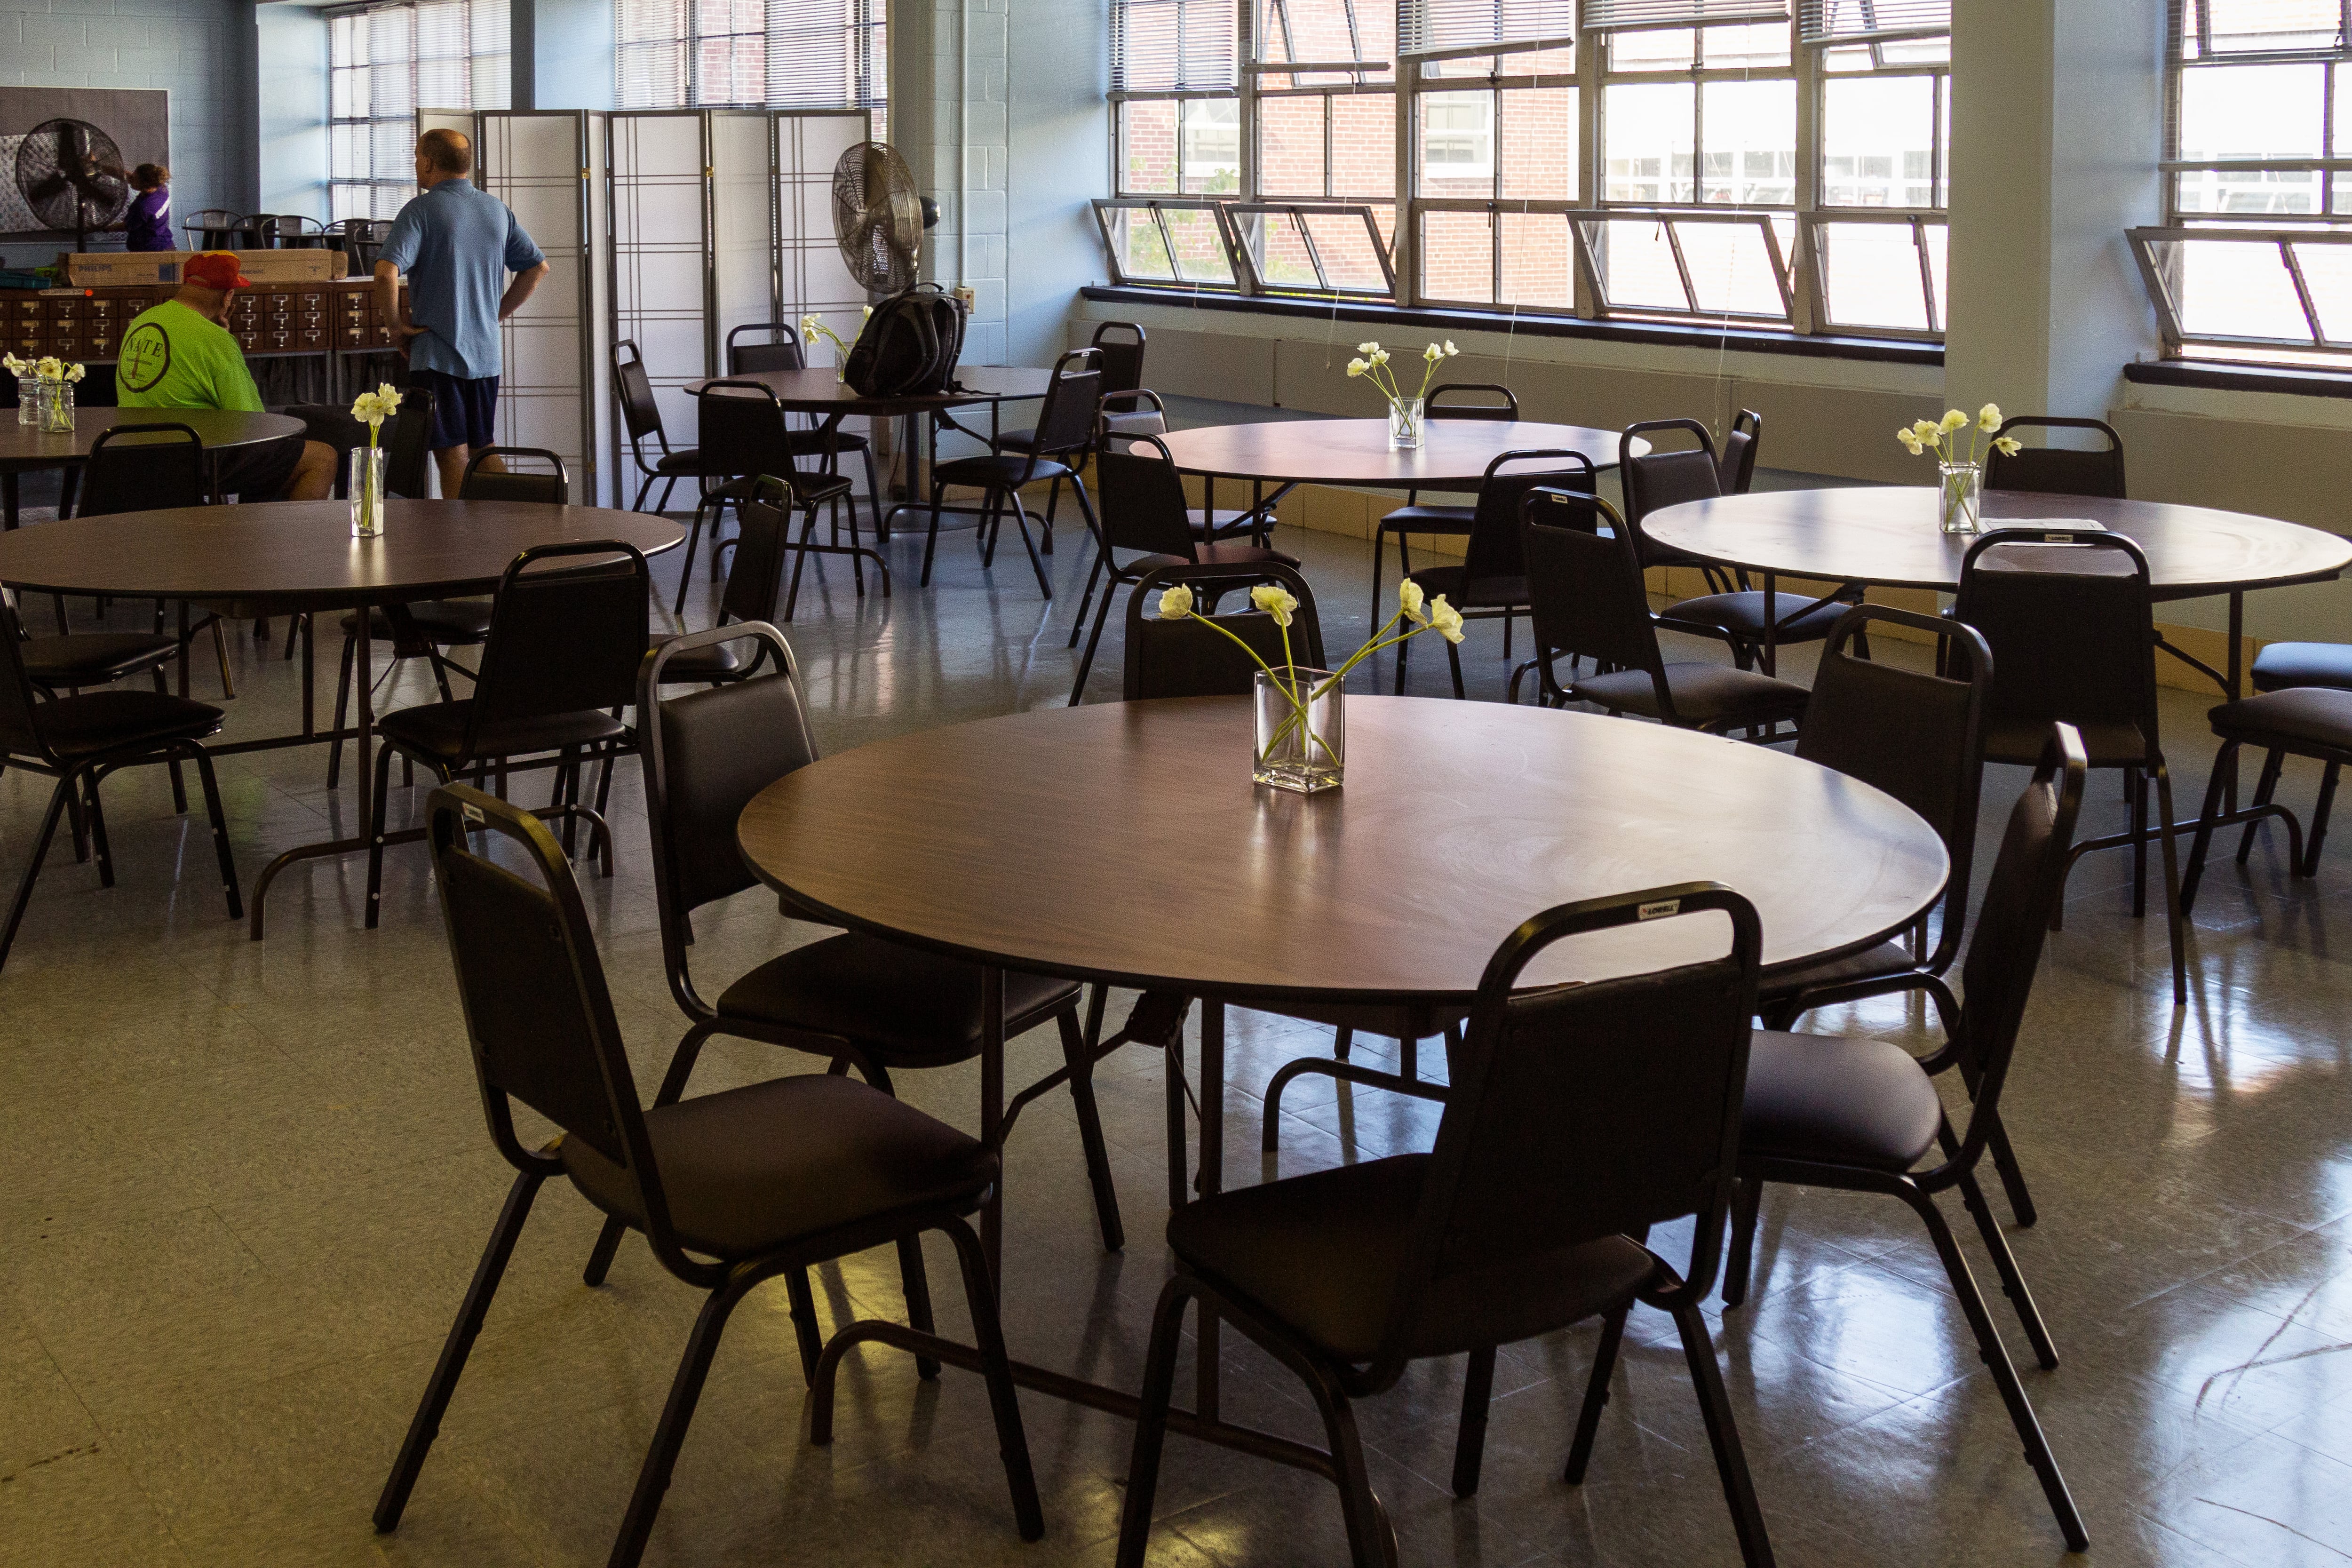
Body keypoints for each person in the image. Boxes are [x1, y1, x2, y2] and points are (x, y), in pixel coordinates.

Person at [375, 129, 549, 497]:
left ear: (428, 162)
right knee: (483, 448)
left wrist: (396, 328)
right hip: (486, 356)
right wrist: (493, 314)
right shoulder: (495, 209)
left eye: (417, 157)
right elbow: (537, 267)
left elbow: (386, 272)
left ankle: (462, 544)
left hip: (439, 355)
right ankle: (515, 525)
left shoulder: (420, 211)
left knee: (451, 454)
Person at [115, 251, 337, 501]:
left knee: (273, 458)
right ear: (228, 296)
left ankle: (247, 531)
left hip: (134, 453)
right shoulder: (215, 340)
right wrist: (222, 341)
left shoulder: (143, 321)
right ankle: (288, 540)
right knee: (322, 457)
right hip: (193, 458)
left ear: (186, 284)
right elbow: (252, 420)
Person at [123, 164, 172, 252]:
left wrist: (105, 228)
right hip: (165, 244)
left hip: (150, 253)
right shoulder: (162, 188)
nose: (131, 179)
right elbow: (130, 176)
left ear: (145, 185)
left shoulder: (143, 207)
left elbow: (127, 226)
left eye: (135, 178)